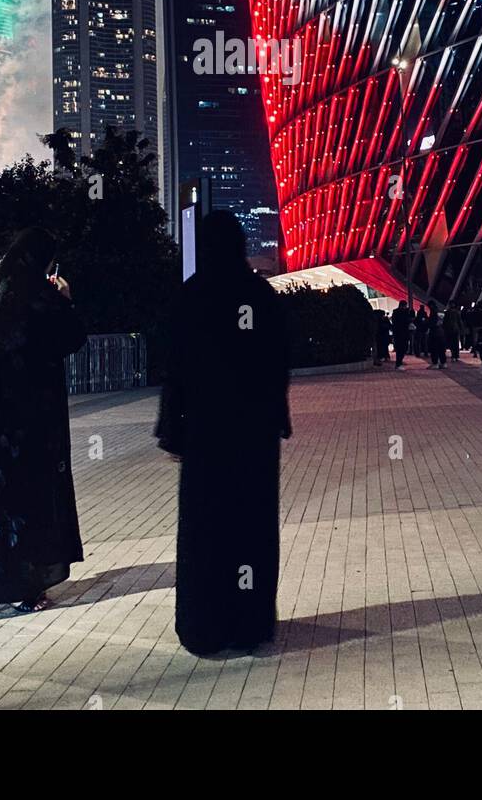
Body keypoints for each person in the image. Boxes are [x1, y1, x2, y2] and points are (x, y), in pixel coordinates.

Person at [156, 211, 291, 655]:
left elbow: (175, 369)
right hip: (252, 434)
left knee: (206, 528)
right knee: (251, 524)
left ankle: (206, 625)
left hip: (205, 434)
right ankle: (248, 622)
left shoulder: (189, 297)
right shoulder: (260, 294)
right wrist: (276, 418)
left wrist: (171, 429)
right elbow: (277, 364)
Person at [0, 228, 87, 612]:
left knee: (2, 500)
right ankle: (31, 586)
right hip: (34, 419)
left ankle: (3, 582)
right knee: (35, 498)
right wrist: (65, 299)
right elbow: (71, 339)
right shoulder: (37, 296)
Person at [391, 301, 411, 369]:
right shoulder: (398, 312)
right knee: (400, 349)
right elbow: (399, 322)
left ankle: (399, 362)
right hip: (400, 333)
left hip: (402, 333)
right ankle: (398, 363)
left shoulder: (402, 312)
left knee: (403, 348)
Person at [427, 302, 447, 368]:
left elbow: (432, 323)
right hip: (441, 332)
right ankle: (443, 363)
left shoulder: (433, 312)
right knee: (441, 349)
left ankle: (435, 363)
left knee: (434, 349)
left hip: (434, 332)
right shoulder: (441, 312)